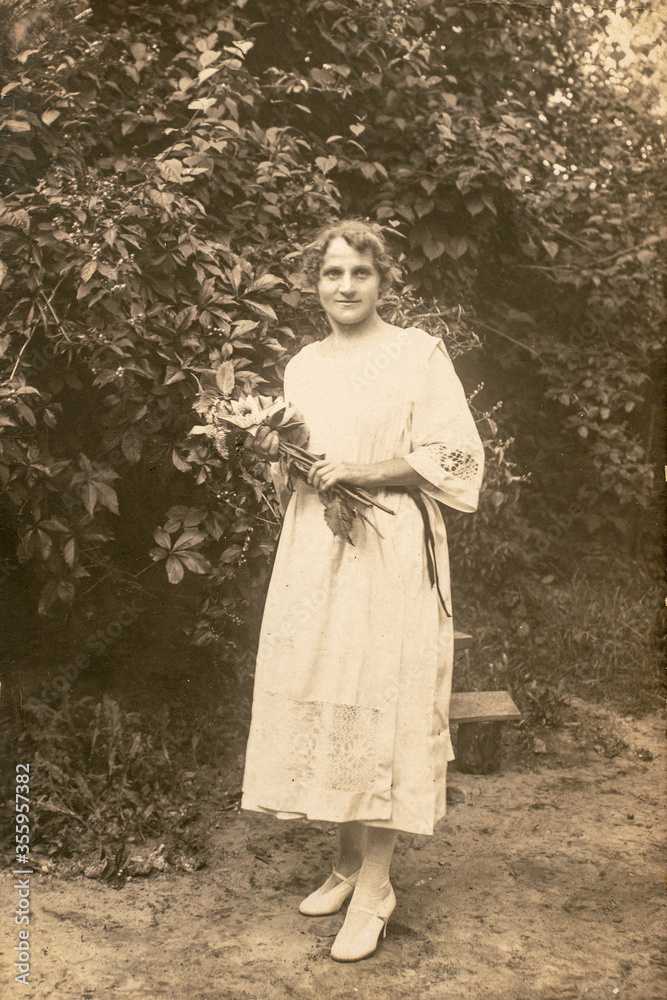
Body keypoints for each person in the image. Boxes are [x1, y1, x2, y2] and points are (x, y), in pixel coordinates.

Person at [241, 219, 484, 962]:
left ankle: (377, 883)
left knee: (382, 699)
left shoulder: (416, 355)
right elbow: (306, 460)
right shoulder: (303, 365)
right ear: (313, 284)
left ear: (383, 282)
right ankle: (346, 863)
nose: (344, 287)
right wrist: (275, 455)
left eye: (359, 274)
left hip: (390, 549)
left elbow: (454, 452)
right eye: (331, 274)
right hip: (317, 549)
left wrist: (362, 471)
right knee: (333, 695)